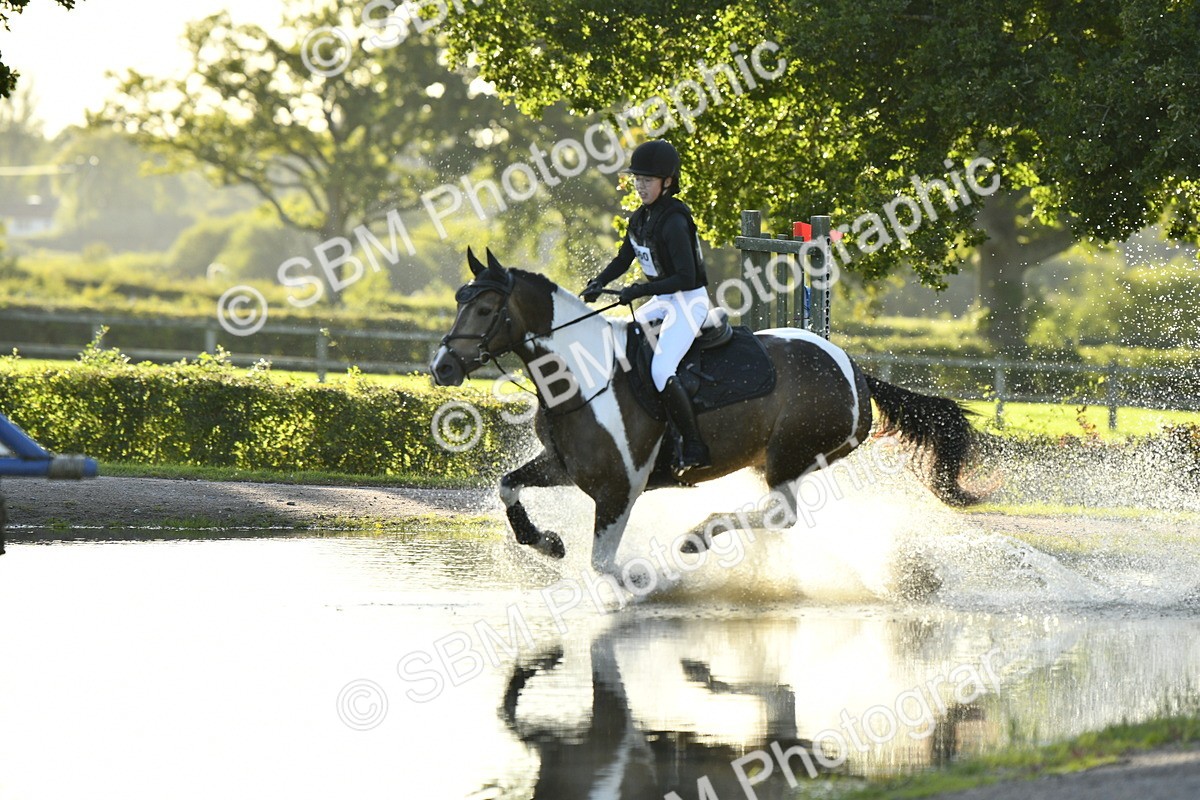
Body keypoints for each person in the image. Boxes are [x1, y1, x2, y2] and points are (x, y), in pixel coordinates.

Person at [580, 139, 712, 473]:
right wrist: (598, 282)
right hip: (663, 300)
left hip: (688, 301)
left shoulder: (674, 221)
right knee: (620, 343)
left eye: (647, 180)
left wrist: (640, 290)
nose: (640, 185)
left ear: (667, 182)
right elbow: (623, 259)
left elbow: (685, 277)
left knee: (661, 369)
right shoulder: (641, 218)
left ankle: (693, 445)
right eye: (637, 179)